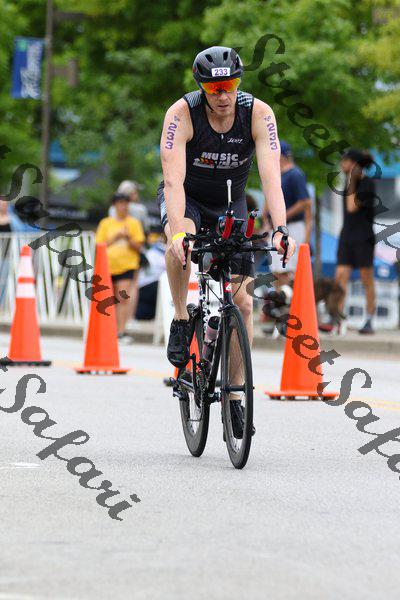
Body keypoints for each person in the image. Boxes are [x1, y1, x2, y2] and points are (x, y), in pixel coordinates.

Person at [158, 46, 296, 434]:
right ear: (202, 88)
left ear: (238, 83)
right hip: (187, 198)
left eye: (230, 86)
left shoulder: (258, 113)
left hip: (231, 203)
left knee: (245, 303)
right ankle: (182, 318)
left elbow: (272, 178)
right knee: (179, 244)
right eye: (214, 88)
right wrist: (179, 233)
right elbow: (172, 181)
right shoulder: (181, 114)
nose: (223, 95)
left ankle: (235, 395)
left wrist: (281, 228)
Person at [335, 149, 376, 334]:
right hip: (347, 236)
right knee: (341, 276)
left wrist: (352, 180)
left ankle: (369, 319)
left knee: (366, 278)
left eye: (345, 161)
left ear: (353, 164)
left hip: (363, 237)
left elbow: (352, 207)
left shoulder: (367, 184)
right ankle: (338, 318)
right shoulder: (348, 184)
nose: (342, 164)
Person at [96, 192, 145, 343]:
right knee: (106, 300)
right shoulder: (106, 223)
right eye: (120, 203)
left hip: (127, 266)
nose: (123, 206)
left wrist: (128, 237)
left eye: (126, 203)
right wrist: (116, 237)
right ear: (114, 205)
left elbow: (139, 246)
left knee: (122, 298)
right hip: (107, 266)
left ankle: (121, 331)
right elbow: (99, 245)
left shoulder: (134, 223)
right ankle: (106, 331)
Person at [265, 140, 312, 289]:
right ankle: (279, 300)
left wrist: (281, 216)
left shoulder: (295, 174)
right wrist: (267, 220)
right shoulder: (278, 175)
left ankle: (288, 300)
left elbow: (305, 202)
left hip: (291, 226)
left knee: (286, 270)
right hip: (278, 227)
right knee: (277, 271)